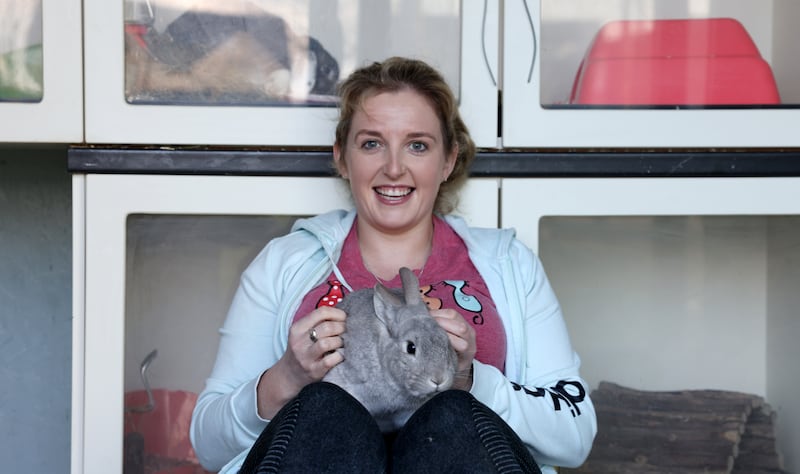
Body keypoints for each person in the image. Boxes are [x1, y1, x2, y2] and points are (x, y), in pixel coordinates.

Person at [190, 56, 597, 473]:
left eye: (417, 145)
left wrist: (470, 380)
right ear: (342, 158)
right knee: (327, 411)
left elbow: (574, 437)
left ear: (448, 160)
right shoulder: (282, 264)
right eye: (371, 143)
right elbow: (208, 443)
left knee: (451, 416)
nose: (394, 168)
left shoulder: (509, 265)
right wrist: (288, 377)